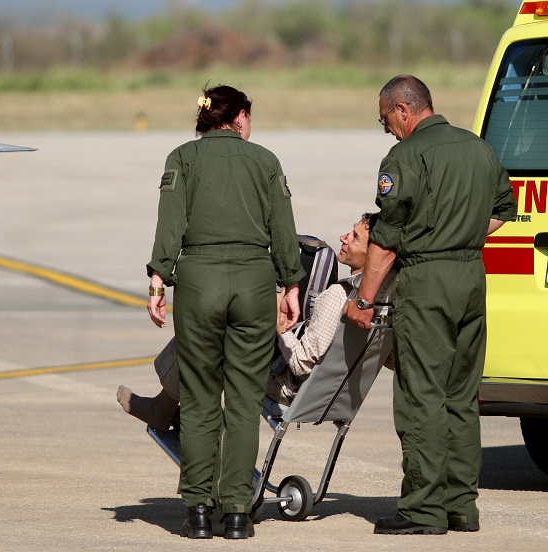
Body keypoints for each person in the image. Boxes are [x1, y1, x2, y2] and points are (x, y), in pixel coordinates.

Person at [345, 75, 518, 536]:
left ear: (404, 109)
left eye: (385, 118)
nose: (386, 129)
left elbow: (384, 242)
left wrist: (362, 298)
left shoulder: (406, 156)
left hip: (428, 281)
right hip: (470, 276)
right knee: (461, 395)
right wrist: (460, 237)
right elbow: (503, 209)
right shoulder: (478, 148)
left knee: (422, 393)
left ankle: (423, 510)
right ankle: (461, 506)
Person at [145, 84, 305, 540]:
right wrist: (291, 284)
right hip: (254, 285)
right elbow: (283, 227)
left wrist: (158, 278)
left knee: (198, 398)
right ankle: (236, 512)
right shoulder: (266, 162)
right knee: (243, 400)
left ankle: (198, 510)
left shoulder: (182, 158)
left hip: (198, 282)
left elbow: (169, 222)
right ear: (237, 118)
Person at [119, 212, 381, 426]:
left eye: (355, 237)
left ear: (375, 253)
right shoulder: (383, 301)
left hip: (291, 388)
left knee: (212, 327)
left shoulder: (338, 295)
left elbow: (301, 363)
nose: (344, 237)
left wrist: (280, 320)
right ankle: (171, 410)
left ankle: (164, 410)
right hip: (336, 395)